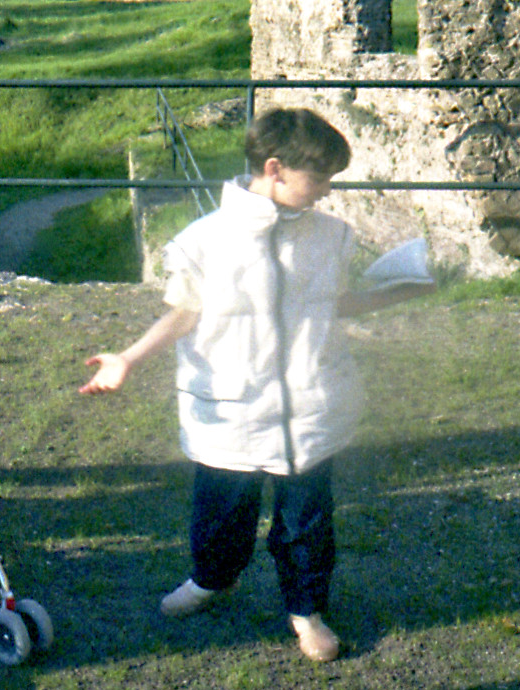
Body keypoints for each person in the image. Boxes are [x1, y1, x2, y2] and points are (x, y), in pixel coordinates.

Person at [79, 106, 429, 662]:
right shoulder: (205, 241)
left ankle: (306, 610)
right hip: (232, 407)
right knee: (221, 511)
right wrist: (128, 358)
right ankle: (212, 579)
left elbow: (331, 304)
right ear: (274, 168)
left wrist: (395, 293)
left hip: (309, 404)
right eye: (320, 178)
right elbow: (184, 313)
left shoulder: (330, 237)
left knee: (307, 521)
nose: (328, 191)